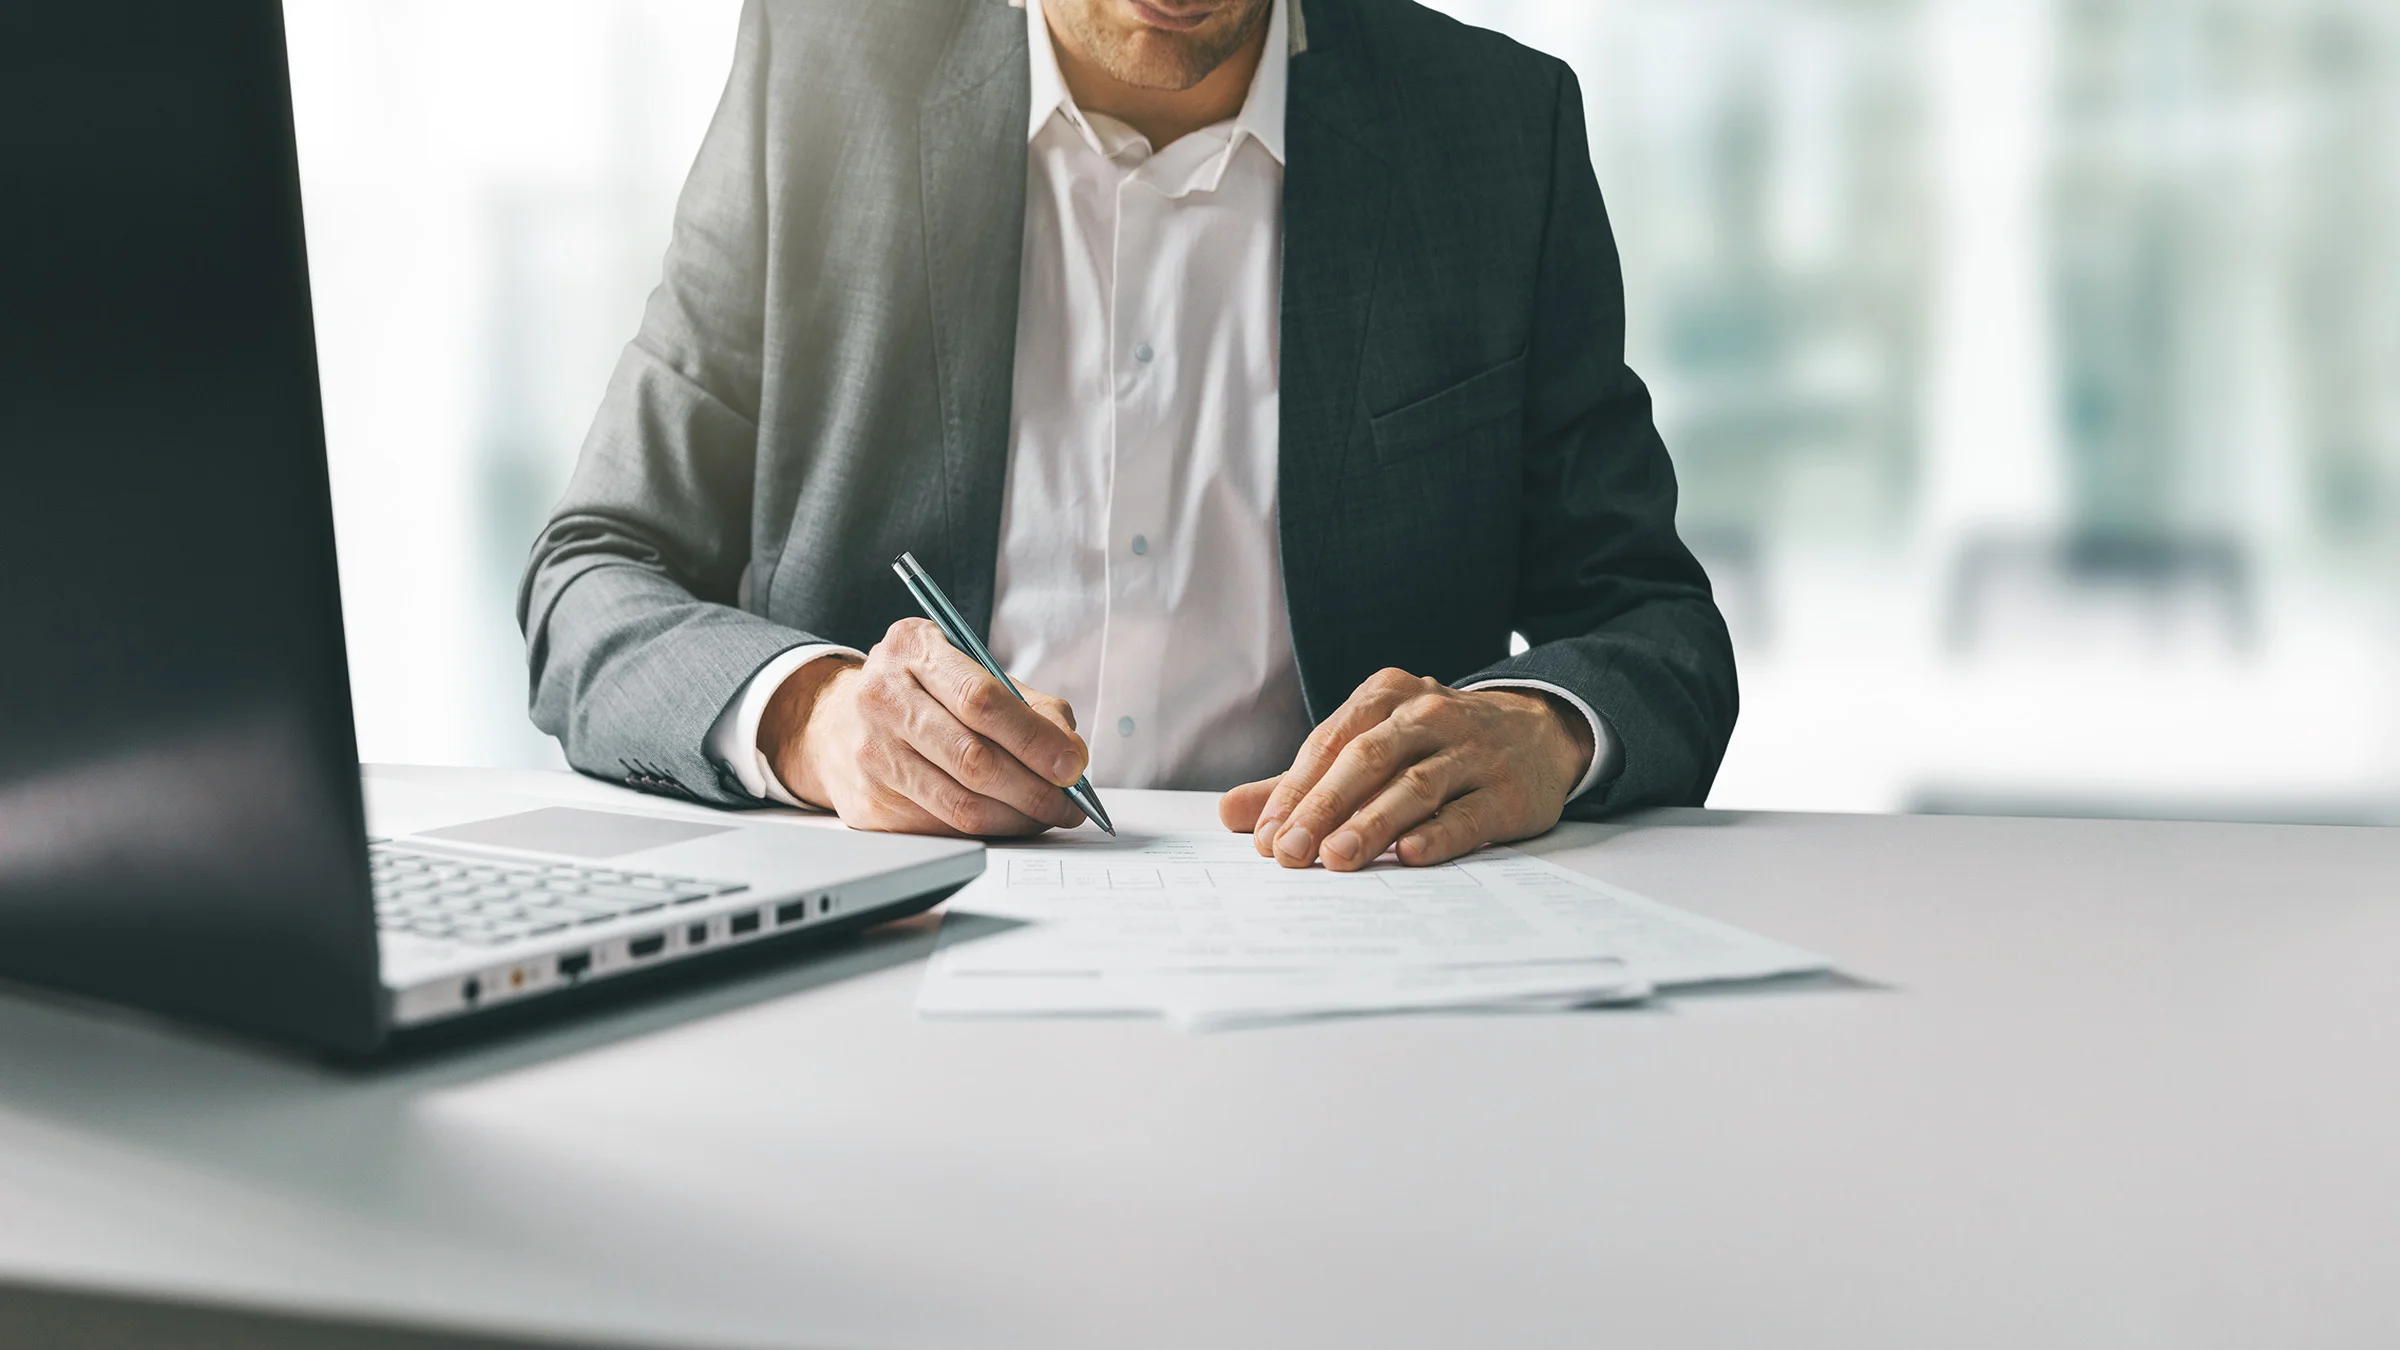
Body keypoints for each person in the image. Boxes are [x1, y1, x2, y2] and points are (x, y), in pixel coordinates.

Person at [518, 0, 1736, 872]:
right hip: (889, 949)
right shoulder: (817, 76)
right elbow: (591, 583)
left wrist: (1541, 729)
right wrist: (818, 721)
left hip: (1356, 947)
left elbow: (1655, 624)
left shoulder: (1495, 128)